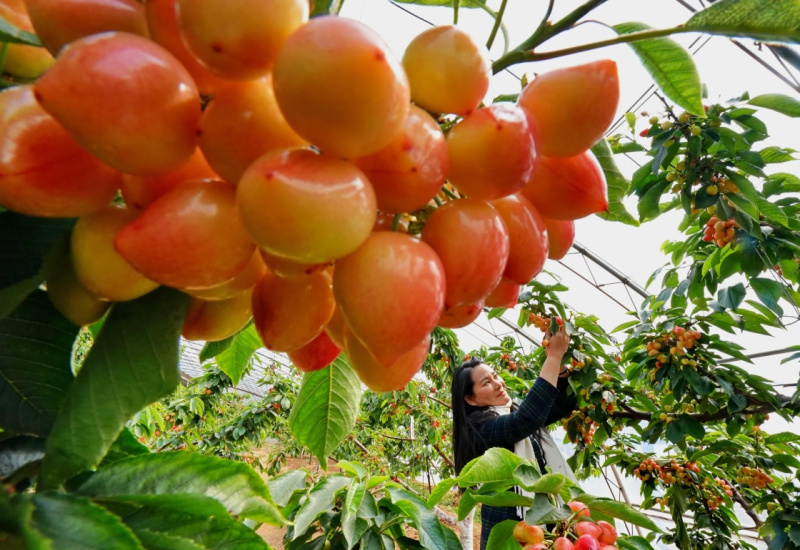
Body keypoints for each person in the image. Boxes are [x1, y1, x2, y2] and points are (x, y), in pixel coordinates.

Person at [451, 326, 576, 550]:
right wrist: (553, 357)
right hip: (509, 532)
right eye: (486, 383)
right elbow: (526, 419)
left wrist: (562, 368)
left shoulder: (509, 412)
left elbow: (559, 406)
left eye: (495, 376)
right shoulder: (482, 430)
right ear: (470, 399)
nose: (498, 383)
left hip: (538, 527)